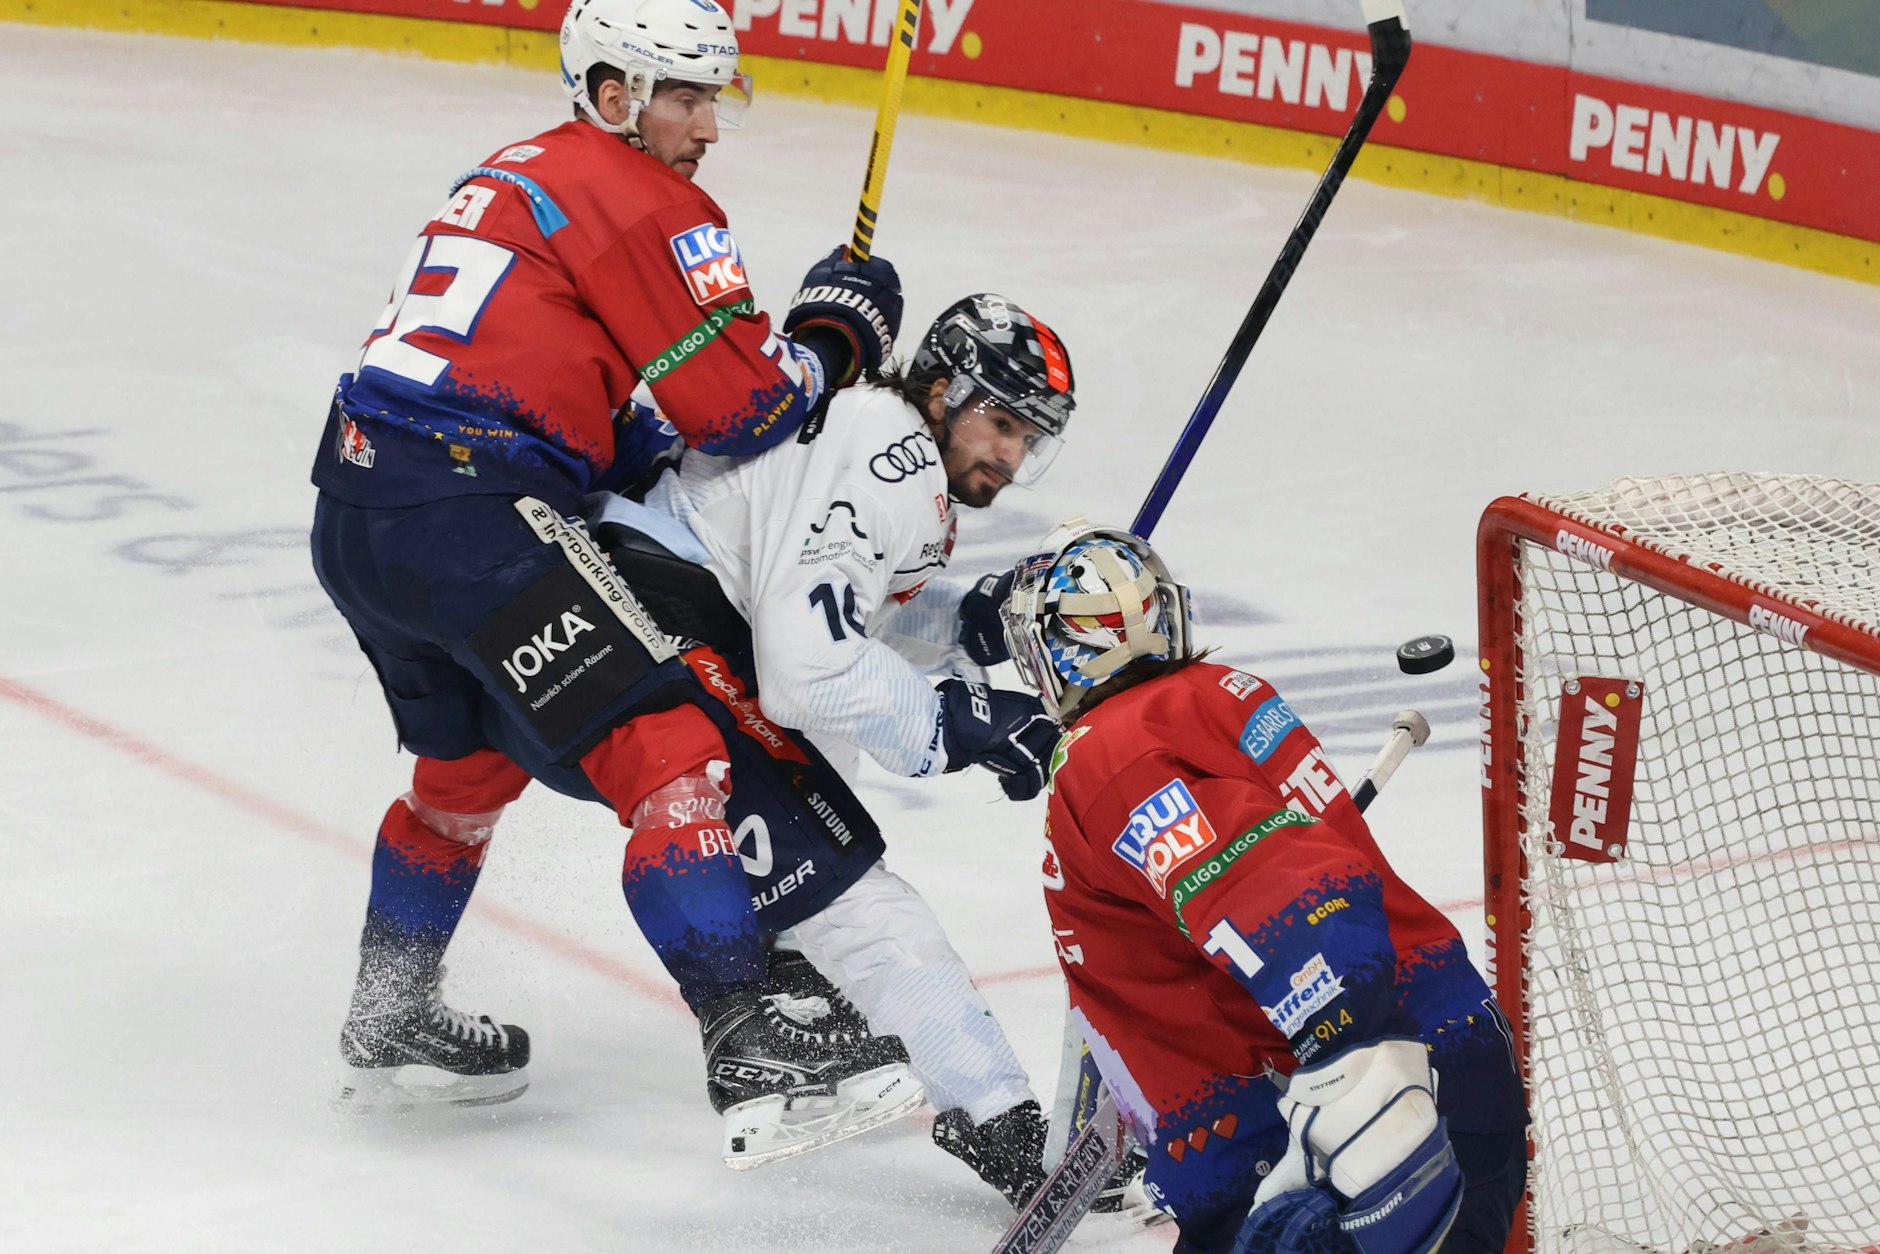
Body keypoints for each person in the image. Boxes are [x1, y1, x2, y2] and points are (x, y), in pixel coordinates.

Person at [309, 0, 917, 1162]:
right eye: (684, 98)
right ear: (610, 94)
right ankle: (746, 1038)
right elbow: (737, 408)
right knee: (672, 750)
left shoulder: (513, 173)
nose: (706, 128)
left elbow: (553, 380)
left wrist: (631, 439)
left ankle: (388, 1015)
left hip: (358, 514)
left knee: (467, 770)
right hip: (475, 519)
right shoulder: (648, 197)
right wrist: (835, 334)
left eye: (709, 98)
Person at [585, 294, 1077, 1203]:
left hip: (658, 602)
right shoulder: (890, 455)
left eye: (1029, 437)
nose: (1009, 456)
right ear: (941, 388)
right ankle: (1002, 1127)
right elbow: (807, 666)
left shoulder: (881, 436)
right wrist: (955, 724)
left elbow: (839, 604)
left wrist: (972, 624)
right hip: (668, 623)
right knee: (858, 895)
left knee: (823, 783)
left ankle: (786, 974)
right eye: (999, 422)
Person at [996, 521, 1530, 1254]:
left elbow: (1273, 891)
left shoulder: (1108, 756)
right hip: (1450, 1047)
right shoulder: (1224, 692)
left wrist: (1350, 1056)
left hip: (1348, 1126)